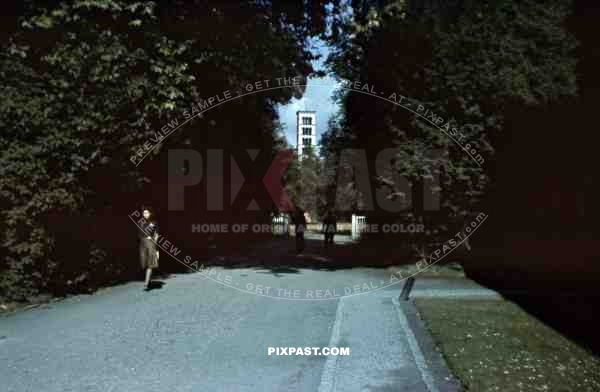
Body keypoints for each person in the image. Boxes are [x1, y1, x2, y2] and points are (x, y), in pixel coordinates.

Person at [139, 206, 159, 291]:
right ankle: (149, 280)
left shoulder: (154, 222)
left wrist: (154, 242)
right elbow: (139, 234)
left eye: (147, 213)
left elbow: (157, 234)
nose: (145, 214)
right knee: (144, 264)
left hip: (150, 243)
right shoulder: (141, 222)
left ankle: (146, 283)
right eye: (144, 213)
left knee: (150, 264)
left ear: (150, 213)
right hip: (142, 244)